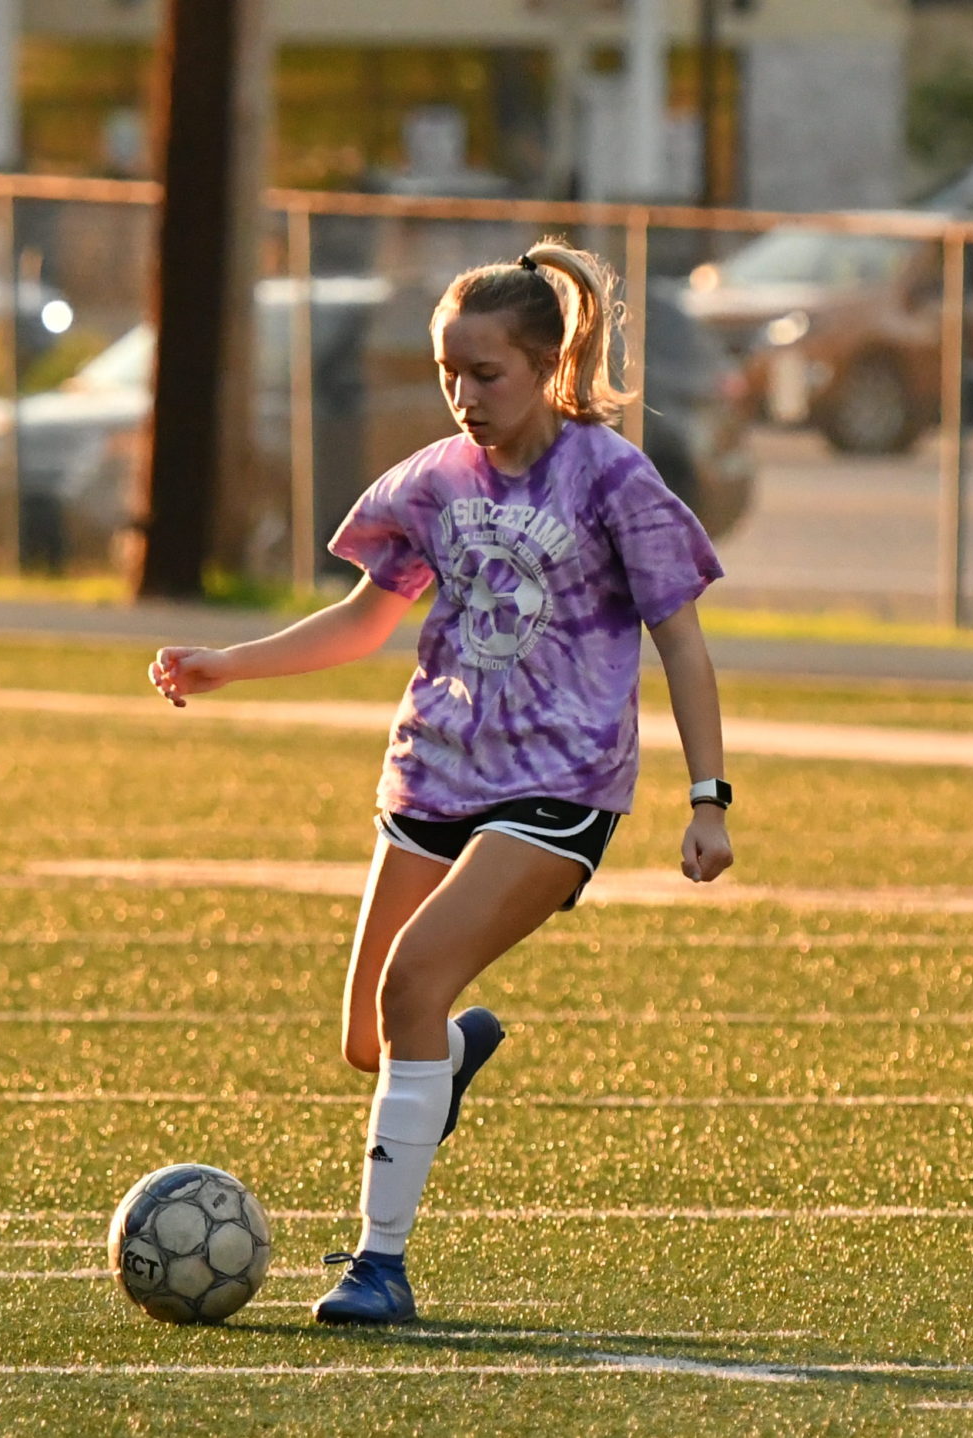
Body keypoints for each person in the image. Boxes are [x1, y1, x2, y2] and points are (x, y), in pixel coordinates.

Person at [147, 239, 736, 1325]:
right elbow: (369, 618)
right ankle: (452, 1055)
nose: (464, 396)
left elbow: (682, 643)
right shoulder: (433, 480)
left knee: (412, 983)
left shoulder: (612, 478)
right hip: (431, 775)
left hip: (558, 785)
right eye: (448, 373)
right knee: (372, 1039)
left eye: (487, 374)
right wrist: (230, 663)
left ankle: (379, 1264)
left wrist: (709, 798)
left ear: (549, 365)